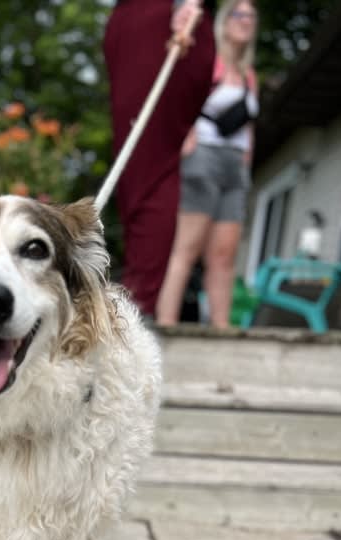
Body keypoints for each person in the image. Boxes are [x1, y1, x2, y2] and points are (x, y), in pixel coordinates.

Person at [103, 0, 216, 318]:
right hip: (142, 21)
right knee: (138, 176)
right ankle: (133, 309)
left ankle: (132, 314)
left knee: (147, 176)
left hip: (164, 18)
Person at [156, 0, 259, 327]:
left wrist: (247, 158)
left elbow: (248, 124)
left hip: (234, 166)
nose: (247, 21)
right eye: (240, 14)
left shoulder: (248, 74)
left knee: (224, 255)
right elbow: (177, 97)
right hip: (204, 157)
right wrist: (183, 133)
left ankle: (221, 327)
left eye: (252, 17)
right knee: (187, 249)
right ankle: (167, 324)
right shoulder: (207, 62)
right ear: (225, 21)